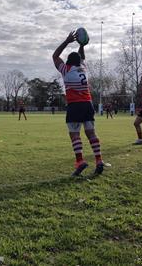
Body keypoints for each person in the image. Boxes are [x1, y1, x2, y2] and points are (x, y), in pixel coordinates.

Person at [53, 30, 107, 176]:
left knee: (75, 135)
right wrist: (82, 44)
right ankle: (99, 160)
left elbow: (55, 56)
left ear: (68, 61)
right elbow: (81, 57)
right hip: (88, 104)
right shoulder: (83, 68)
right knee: (91, 134)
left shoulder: (66, 69)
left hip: (74, 105)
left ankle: (80, 161)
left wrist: (66, 41)